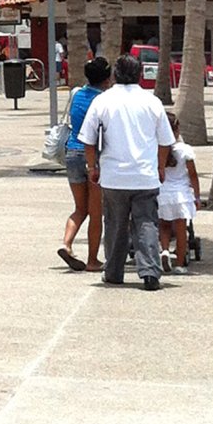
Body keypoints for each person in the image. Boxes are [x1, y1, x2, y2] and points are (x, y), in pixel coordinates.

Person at [79, 53, 174, 291]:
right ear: (139, 74)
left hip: (113, 176)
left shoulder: (102, 101)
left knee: (115, 225)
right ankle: (150, 272)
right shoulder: (152, 102)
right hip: (145, 175)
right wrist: (160, 167)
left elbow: (88, 141)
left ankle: (113, 272)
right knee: (147, 223)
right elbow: (165, 141)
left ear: (115, 75)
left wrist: (92, 167)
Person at [57, 54, 112, 273]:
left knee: (80, 209)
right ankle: (92, 260)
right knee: (95, 212)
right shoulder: (104, 101)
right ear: (107, 79)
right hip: (93, 158)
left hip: (72, 152)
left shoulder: (77, 94)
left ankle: (66, 243)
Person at [157, 109, 202, 274]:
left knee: (164, 225)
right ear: (177, 130)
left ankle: (165, 250)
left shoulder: (157, 150)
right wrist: (197, 196)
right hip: (181, 194)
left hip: (162, 193)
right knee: (181, 229)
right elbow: (193, 175)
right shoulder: (185, 150)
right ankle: (180, 263)